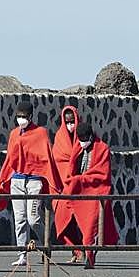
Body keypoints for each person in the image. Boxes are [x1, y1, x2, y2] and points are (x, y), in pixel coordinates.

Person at [0, 101, 62, 267]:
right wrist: (4, 179)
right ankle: (22, 254)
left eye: (24, 116)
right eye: (19, 116)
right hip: (17, 179)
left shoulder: (41, 133)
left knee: (33, 219)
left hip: (34, 181)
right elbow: (10, 158)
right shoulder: (14, 134)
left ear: (31, 116)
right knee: (20, 219)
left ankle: (45, 244)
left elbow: (46, 157)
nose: (21, 119)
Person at [56, 122, 118, 269]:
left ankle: (90, 256)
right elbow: (72, 168)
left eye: (85, 138)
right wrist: (74, 181)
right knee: (61, 216)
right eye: (80, 138)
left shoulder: (102, 148)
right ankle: (77, 249)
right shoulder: (78, 146)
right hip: (78, 189)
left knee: (91, 226)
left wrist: (81, 179)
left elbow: (102, 174)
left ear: (91, 136)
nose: (82, 141)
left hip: (95, 190)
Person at [52, 104, 84, 264]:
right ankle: (75, 249)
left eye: (73, 121)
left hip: (80, 186)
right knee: (63, 220)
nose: (70, 125)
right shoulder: (59, 138)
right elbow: (56, 161)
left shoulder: (85, 137)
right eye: (67, 122)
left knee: (83, 221)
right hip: (62, 187)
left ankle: (85, 250)